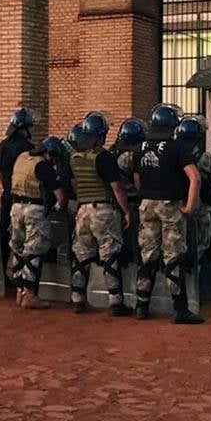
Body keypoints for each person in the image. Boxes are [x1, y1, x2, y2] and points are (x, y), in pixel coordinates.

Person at [133, 103, 205, 324]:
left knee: (148, 255)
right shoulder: (177, 147)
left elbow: (136, 177)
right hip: (170, 205)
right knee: (173, 256)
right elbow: (195, 177)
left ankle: (141, 305)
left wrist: (146, 194)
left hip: (147, 204)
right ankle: (180, 310)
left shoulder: (140, 147)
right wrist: (189, 206)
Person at [68, 113, 133, 316]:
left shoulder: (74, 158)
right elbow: (117, 188)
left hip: (82, 211)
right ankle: (115, 302)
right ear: (100, 135)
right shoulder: (104, 157)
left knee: (81, 256)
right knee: (110, 254)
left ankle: (77, 299)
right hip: (103, 210)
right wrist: (127, 211)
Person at [9, 136, 68, 310]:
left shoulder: (22, 157)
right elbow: (61, 197)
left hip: (15, 207)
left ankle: (20, 292)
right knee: (34, 252)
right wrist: (59, 209)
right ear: (50, 154)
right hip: (33, 210)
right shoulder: (43, 165)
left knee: (18, 251)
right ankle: (30, 295)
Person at [0, 108, 37, 286]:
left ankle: (2, 277)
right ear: (24, 128)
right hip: (24, 198)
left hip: (7, 196)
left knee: (6, 237)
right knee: (26, 240)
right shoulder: (28, 148)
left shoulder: (2, 145)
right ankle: (24, 279)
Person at [174, 116, 211, 267]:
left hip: (173, 201)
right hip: (196, 201)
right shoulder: (204, 157)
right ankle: (194, 266)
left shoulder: (171, 151)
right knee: (202, 237)